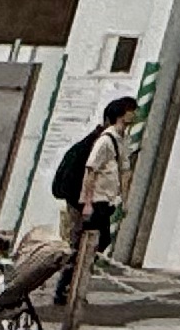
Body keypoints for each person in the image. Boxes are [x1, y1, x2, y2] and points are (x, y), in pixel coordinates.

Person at [56, 94, 140, 264]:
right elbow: (89, 171)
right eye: (129, 111)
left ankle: (79, 270)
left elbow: (124, 172)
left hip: (100, 200)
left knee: (97, 240)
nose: (133, 114)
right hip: (84, 199)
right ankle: (72, 274)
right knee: (84, 240)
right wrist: (86, 203)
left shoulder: (121, 140)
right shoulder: (101, 141)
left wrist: (123, 200)